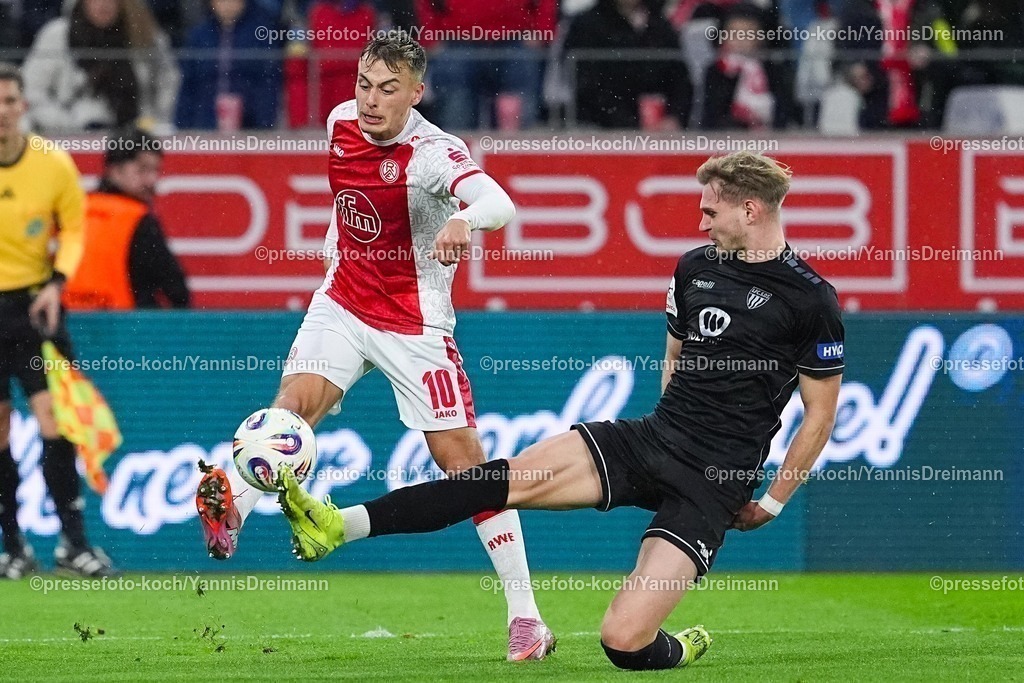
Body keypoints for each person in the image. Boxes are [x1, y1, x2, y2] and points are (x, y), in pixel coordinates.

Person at [275, 150, 845, 670]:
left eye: (710, 210)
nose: (700, 222)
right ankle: (338, 526)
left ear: (750, 209)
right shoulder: (694, 268)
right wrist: (667, 424)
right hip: (653, 441)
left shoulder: (810, 299)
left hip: (713, 483)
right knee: (494, 483)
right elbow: (675, 355)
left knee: (624, 642)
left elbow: (819, 414)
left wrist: (772, 499)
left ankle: (685, 644)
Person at [194, 34, 555, 661]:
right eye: (364, 82)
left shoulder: (434, 153)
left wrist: (464, 220)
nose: (369, 99)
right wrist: (336, 255)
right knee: (290, 410)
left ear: (416, 93)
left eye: (388, 88)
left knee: (465, 466)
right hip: (342, 304)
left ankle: (526, 619)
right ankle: (236, 513)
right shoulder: (338, 123)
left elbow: (499, 201)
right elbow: (347, 205)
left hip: (414, 326)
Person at [0, 63, 118, 579]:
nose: (1, 113)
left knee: (58, 420)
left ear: (23, 106)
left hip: (34, 307)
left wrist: (56, 282)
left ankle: (73, 543)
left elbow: (73, 229)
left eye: (8, 101)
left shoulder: (52, 164)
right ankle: (13, 547)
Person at [63, 127, 191, 310]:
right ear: (115, 170)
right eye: (143, 169)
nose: (152, 180)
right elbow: (177, 291)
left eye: (156, 171)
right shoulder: (139, 220)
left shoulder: (74, 210)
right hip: (124, 329)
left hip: (67, 326)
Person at [22, 0, 180, 134]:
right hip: (70, 135)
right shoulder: (58, 35)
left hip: (133, 138)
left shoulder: (144, 33)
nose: (104, 4)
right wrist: (67, 123)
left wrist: (151, 122)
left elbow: (168, 83)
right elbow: (31, 91)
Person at [563, 0, 692, 129]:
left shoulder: (659, 24)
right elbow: (587, 85)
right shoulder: (586, 25)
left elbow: (680, 79)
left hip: (658, 131)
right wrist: (628, 123)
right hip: (601, 131)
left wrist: (674, 117)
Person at [175, 0, 283, 130]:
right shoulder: (198, 36)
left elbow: (269, 83)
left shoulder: (261, 35)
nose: (227, 5)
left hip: (250, 127)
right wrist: (183, 123)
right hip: (204, 125)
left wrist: (264, 123)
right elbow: (188, 84)